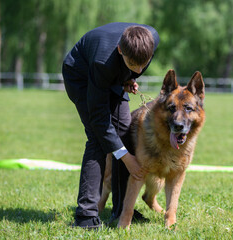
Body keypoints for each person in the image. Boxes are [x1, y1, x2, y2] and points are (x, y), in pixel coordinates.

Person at [62, 22, 160, 229]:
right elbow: (100, 120)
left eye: (144, 64)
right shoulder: (101, 62)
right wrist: (127, 159)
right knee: (98, 140)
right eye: (134, 64)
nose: (140, 70)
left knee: (124, 130)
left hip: (111, 72)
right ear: (120, 50)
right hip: (81, 77)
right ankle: (86, 217)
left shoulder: (152, 38)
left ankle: (122, 210)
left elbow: (133, 67)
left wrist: (128, 77)